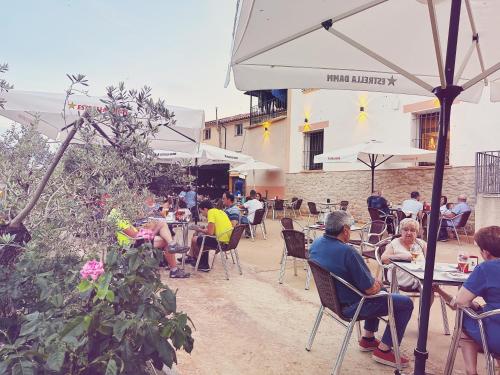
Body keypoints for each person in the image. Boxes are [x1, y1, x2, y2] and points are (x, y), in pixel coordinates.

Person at [308, 211, 413, 368]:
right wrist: (377, 284)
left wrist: (376, 286)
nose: (350, 231)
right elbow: (370, 289)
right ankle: (384, 351)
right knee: (404, 303)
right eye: (349, 228)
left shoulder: (316, 243)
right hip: (353, 306)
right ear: (344, 230)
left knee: (383, 291)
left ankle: (368, 339)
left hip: (331, 300)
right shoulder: (348, 252)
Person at [434, 226, 500, 375]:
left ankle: (471, 371)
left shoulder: (486, 268)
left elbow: (460, 303)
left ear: (486, 253)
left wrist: (472, 304)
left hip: (497, 336)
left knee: (466, 316)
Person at [108, 208, 190, 278]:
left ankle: (172, 245)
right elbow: (134, 235)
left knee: (161, 224)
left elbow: (129, 230)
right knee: (165, 239)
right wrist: (149, 231)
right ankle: (174, 266)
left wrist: (144, 228)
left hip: (134, 239)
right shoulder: (117, 216)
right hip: (133, 244)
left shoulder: (115, 213)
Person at [186, 200, 233, 272]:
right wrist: (202, 230)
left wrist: (198, 229)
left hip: (220, 242)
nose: (202, 214)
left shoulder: (210, 213)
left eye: (201, 211)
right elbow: (214, 228)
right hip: (228, 241)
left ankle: (201, 263)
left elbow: (210, 232)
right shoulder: (220, 211)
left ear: (205, 209)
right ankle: (193, 258)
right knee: (199, 236)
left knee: (195, 239)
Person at [381, 218, 427, 290]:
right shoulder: (395, 243)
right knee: (428, 283)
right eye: (405, 230)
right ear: (401, 231)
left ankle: (440, 295)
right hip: (400, 275)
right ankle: (445, 296)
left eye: (412, 230)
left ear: (416, 232)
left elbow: (429, 261)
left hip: (419, 273)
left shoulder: (421, 243)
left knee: (429, 282)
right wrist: (402, 257)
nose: (408, 233)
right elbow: (384, 259)